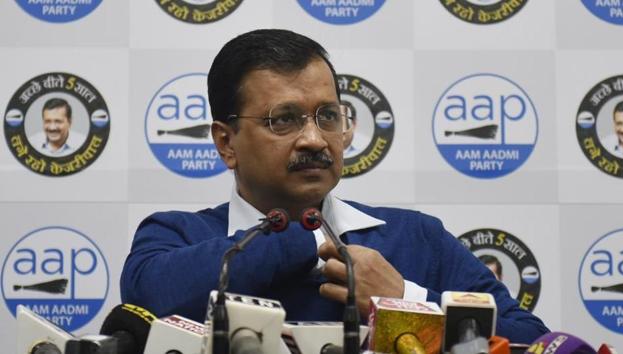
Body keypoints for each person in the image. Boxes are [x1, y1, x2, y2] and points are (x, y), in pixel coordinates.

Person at [120, 29, 549, 343]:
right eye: (283, 119)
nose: (314, 139)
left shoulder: (414, 238)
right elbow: (151, 302)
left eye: (327, 116)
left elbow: (533, 341)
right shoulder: (178, 237)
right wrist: (304, 235)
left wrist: (404, 300)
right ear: (226, 142)